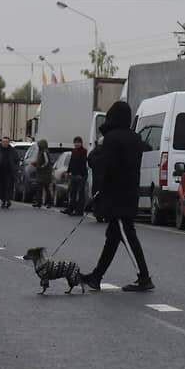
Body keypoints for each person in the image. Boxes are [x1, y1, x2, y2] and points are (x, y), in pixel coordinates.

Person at [79, 101, 154, 292]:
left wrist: (97, 193)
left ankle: (144, 277)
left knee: (127, 235)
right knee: (112, 238)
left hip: (116, 197)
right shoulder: (135, 138)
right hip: (130, 193)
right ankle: (96, 276)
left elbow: (106, 168)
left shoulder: (111, 139)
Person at [61, 137, 89, 216]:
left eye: (78, 142)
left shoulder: (84, 151)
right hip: (73, 174)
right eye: (75, 142)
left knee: (80, 194)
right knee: (72, 192)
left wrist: (81, 174)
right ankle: (70, 208)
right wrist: (68, 172)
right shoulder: (74, 151)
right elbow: (71, 162)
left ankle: (79, 210)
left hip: (81, 175)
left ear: (81, 143)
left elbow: (83, 163)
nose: (76, 144)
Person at [0, 136, 19, 209]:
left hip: (10, 172)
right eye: (3, 142)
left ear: (9, 142)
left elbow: (17, 160)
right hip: (0, 172)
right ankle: (3, 200)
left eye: (6, 142)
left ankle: (8, 200)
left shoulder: (13, 151)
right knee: (2, 187)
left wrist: (15, 168)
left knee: (9, 187)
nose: (5, 143)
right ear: (1, 142)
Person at [32, 139, 53, 208]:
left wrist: (40, 167)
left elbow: (46, 162)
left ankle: (49, 202)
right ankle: (39, 202)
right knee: (39, 188)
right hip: (40, 173)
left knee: (46, 188)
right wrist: (37, 164)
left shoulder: (44, 152)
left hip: (45, 173)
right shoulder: (40, 152)